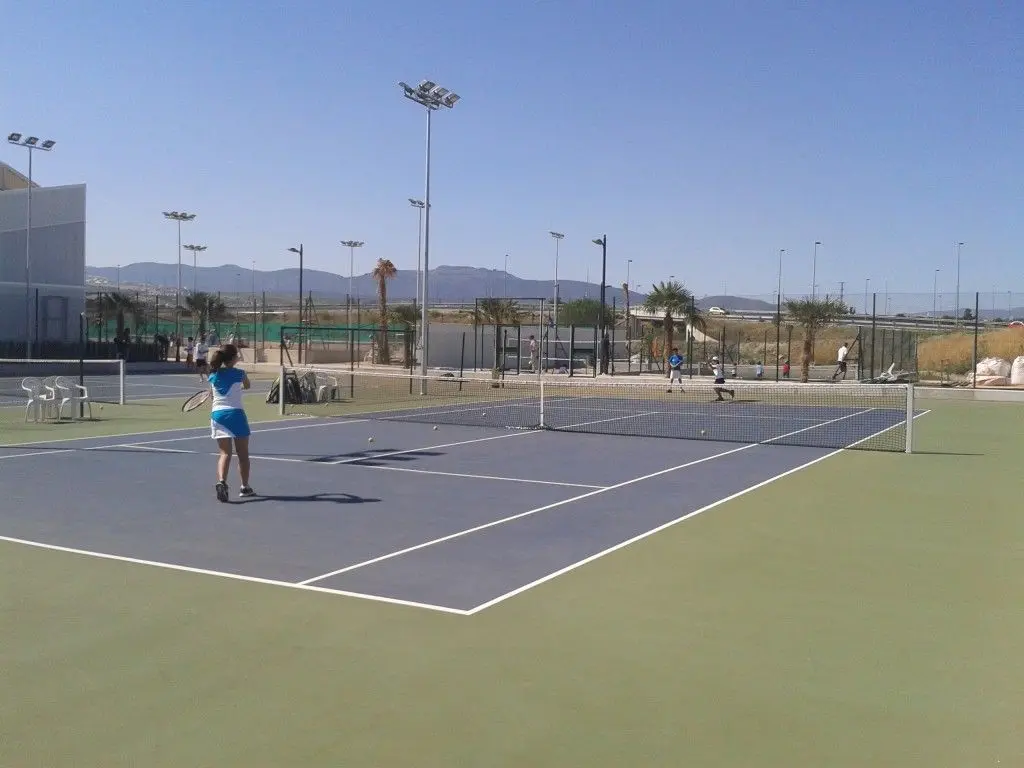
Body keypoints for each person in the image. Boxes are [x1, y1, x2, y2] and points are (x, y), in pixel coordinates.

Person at [208, 344, 254, 501]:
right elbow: (247, 386)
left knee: (224, 453)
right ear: (233, 358)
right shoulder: (240, 374)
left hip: (217, 415)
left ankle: (222, 482)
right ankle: (245, 487)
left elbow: (212, 396)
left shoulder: (213, 375)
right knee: (243, 455)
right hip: (235, 414)